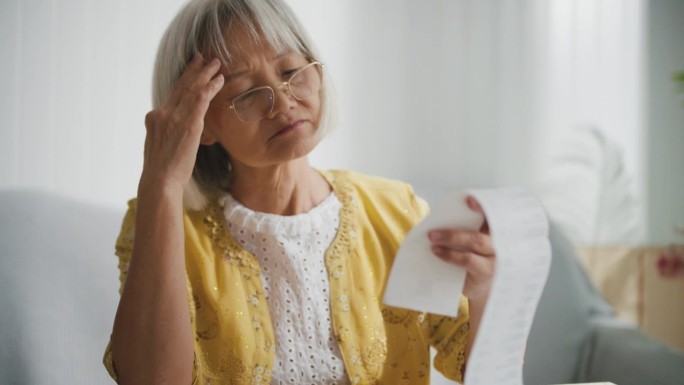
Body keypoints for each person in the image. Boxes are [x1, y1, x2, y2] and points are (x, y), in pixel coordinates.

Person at [103, 0, 496, 384]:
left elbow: (483, 374)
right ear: (198, 122)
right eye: (247, 93)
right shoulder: (158, 221)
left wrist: (484, 297)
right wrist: (162, 184)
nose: (283, 100)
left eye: (291, 69)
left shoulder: (397, 211)